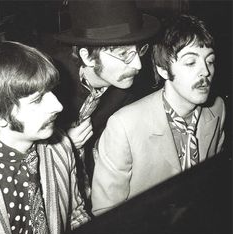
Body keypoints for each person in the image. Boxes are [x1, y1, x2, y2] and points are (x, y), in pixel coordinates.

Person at [91, 14, 226, 216]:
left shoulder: (217, 109)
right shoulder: (124, 126)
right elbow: (105, 213)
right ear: (163, 69)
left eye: (211, 61)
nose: (205, 72)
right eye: (191, 63)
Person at [53, 0, 160, 200]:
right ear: (88, 58)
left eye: (139, 50)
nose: (137, 65)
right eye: (124, 54)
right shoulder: (47, 84)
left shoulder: (129, 89)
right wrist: (60, 145)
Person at [0, 41, 90, 234]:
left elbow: (75, 214)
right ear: (0, 116)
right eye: (37, 100)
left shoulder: (59, 145)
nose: (58, 106)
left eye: (51, 91)